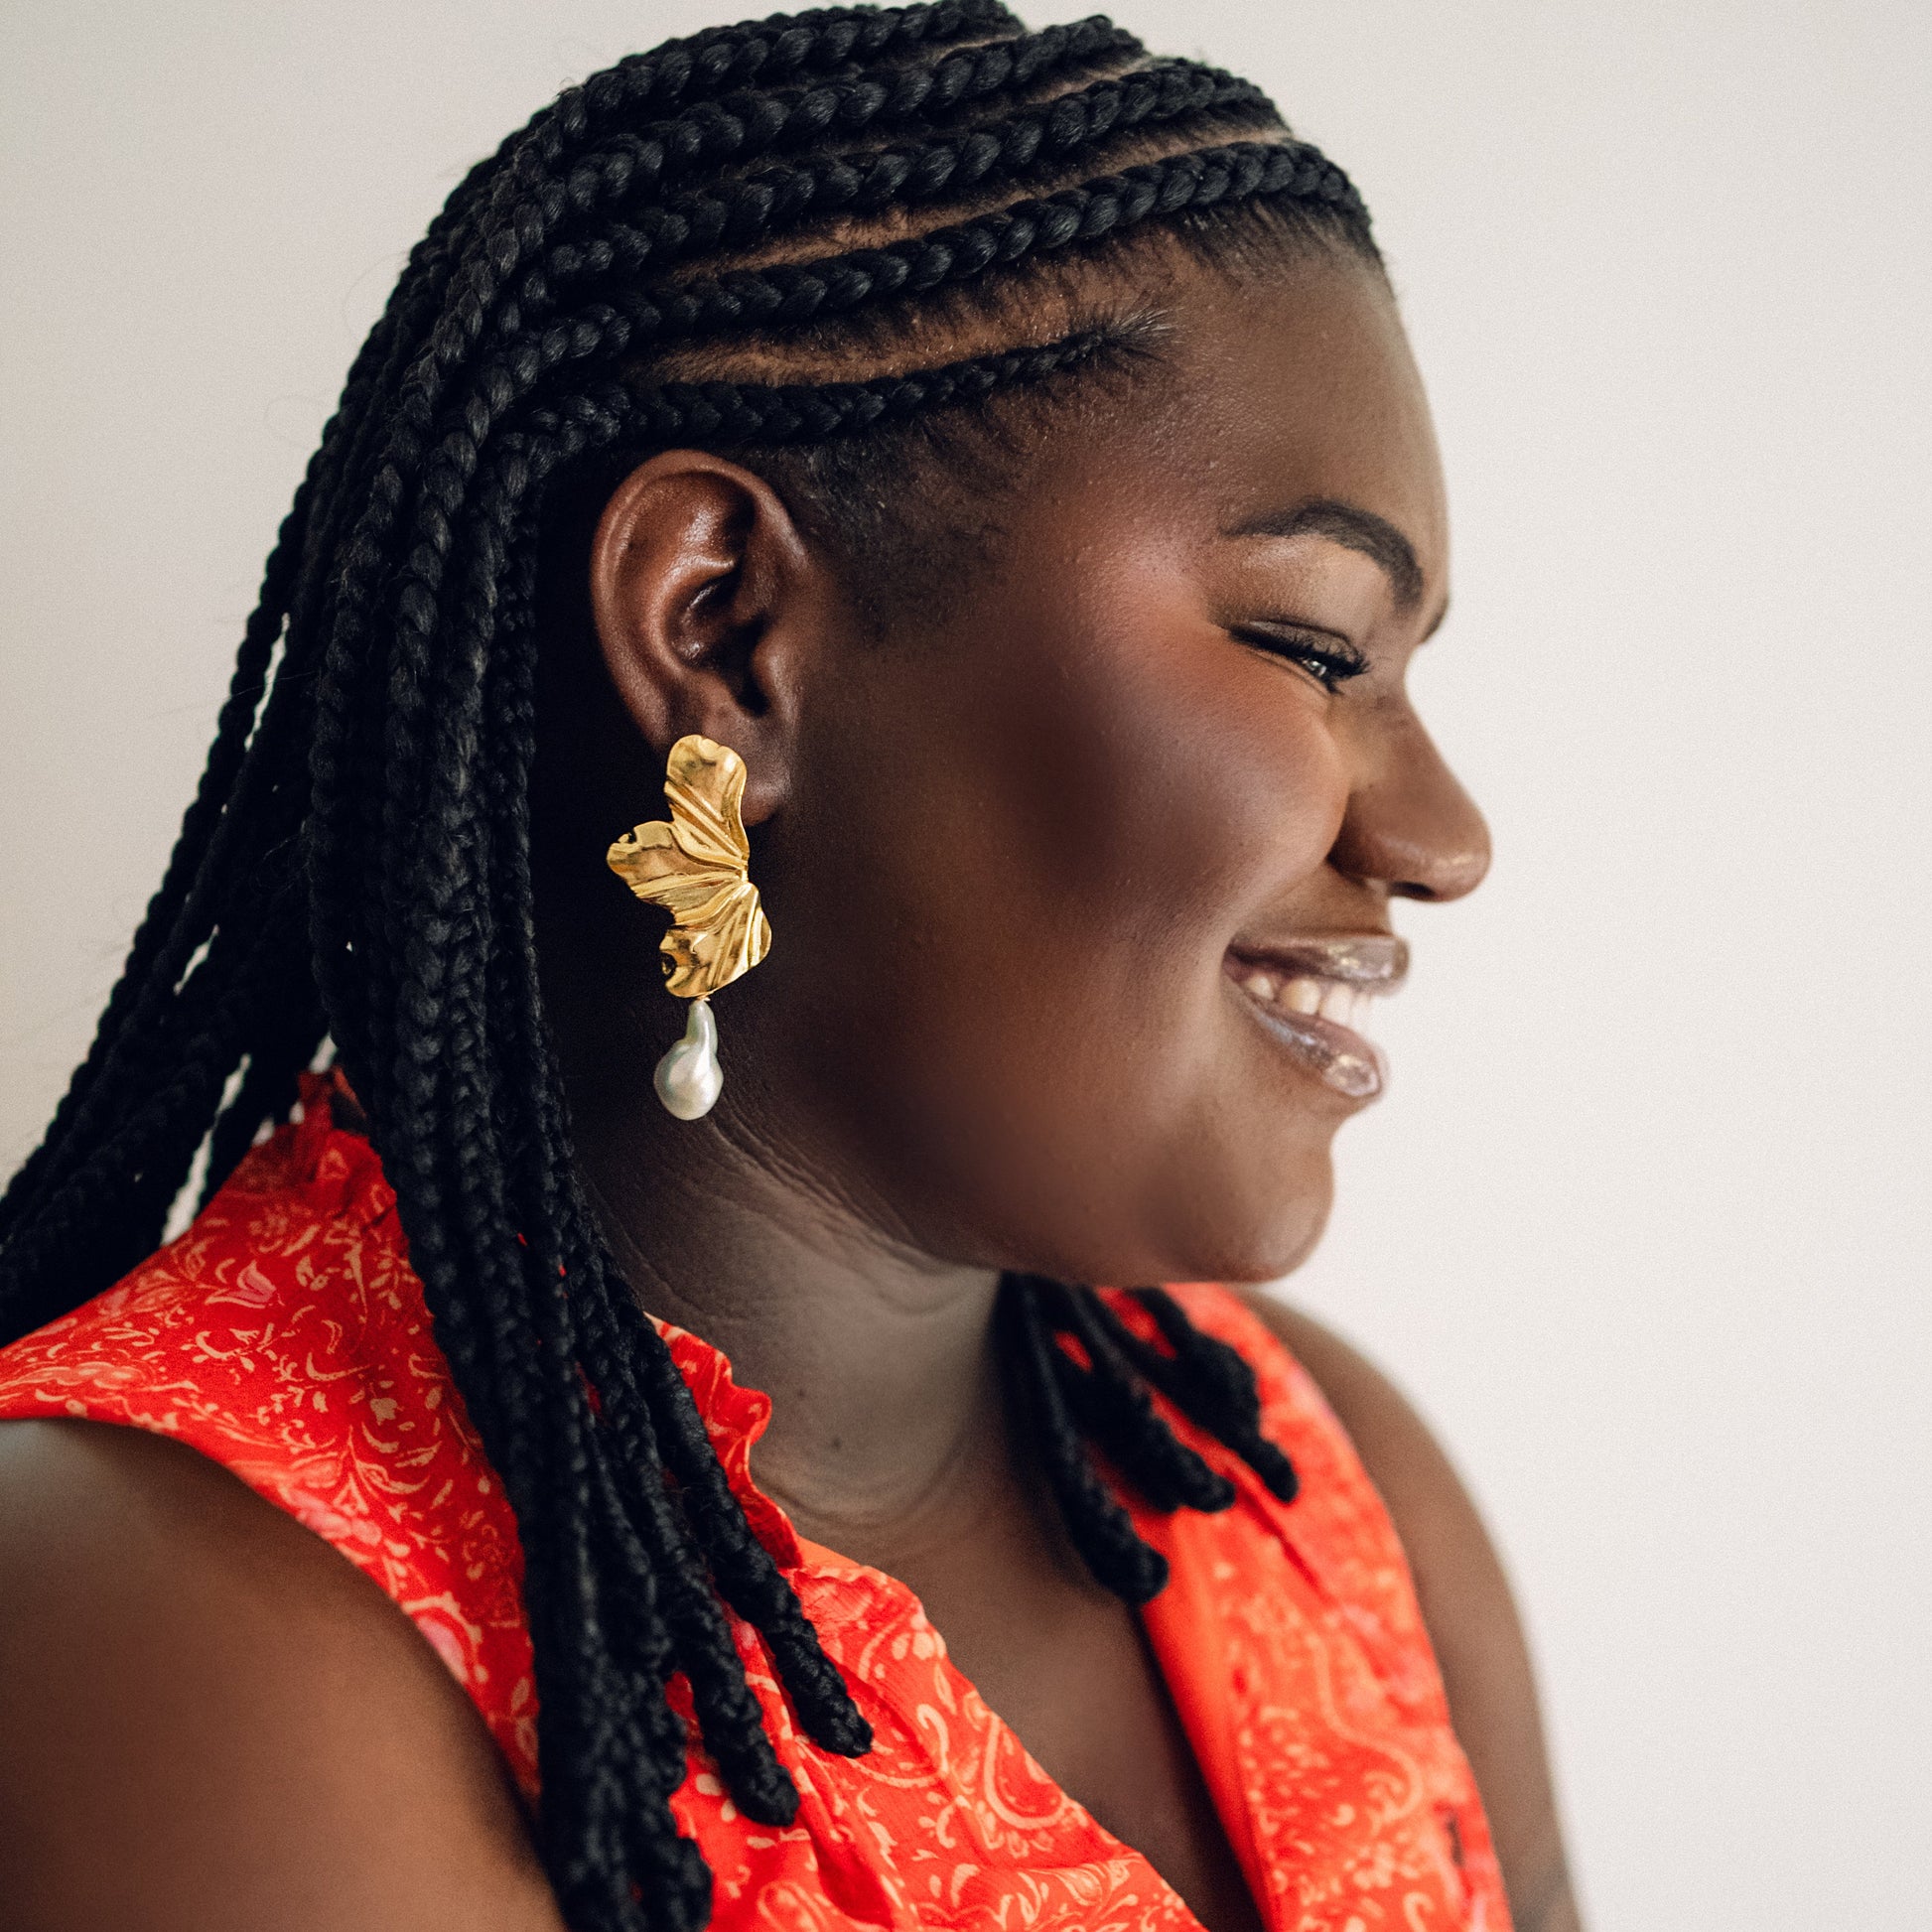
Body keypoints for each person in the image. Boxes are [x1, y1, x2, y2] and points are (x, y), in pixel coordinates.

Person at [0, 5, 1581, 1929]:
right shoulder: (171, 1625)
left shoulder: (1316, 1478)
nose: (1439, 837)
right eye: (1318, 650)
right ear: (723, 627)